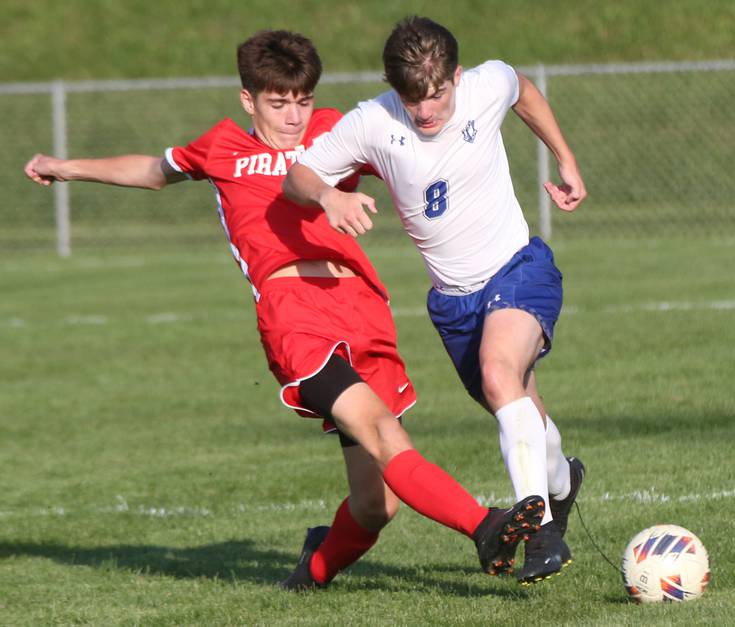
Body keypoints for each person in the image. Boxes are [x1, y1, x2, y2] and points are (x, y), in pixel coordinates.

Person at [24, 29, 546, 591]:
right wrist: (67, 166)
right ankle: (484, 525)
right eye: (278, 103)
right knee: (380, 432)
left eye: (303, 101)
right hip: (293, 314)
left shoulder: (335, 131)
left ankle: (313, 569)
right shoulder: (222, 147)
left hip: (362, 307)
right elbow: (153, 170)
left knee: (377, 507)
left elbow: (414, 154)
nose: (294, 116)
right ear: (248, 100)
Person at [283, 16, 588, 585]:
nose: (425, 112)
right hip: (453, 305)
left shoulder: (484, 85)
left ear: (457, 76)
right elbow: (295, 176)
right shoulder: (374, 121)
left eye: (437, 94)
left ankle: (540, 532)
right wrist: (327, 194)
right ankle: (562, 483)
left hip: (519, 268)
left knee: (500, 375)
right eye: (411, 99)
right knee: (516, 401)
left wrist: (565, 158)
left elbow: (520, 88)